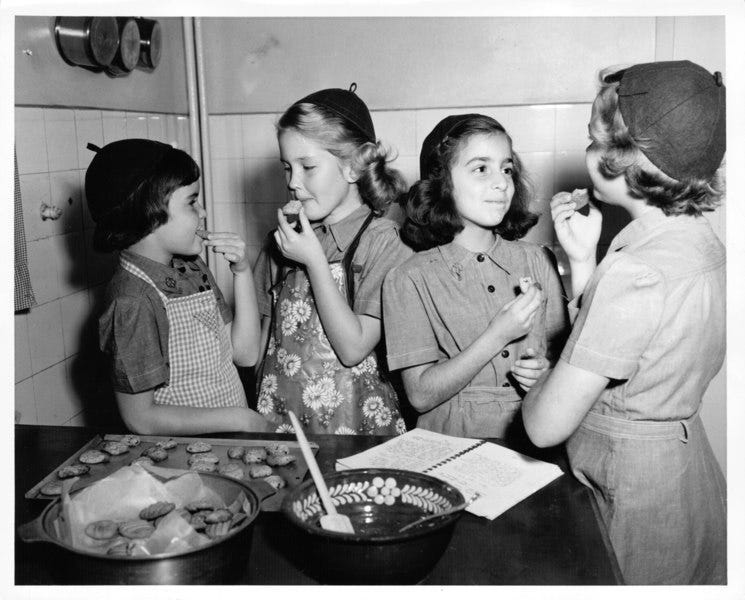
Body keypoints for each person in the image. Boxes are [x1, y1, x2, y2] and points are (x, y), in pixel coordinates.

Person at [522, 60, 726, 584]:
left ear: (623, 160)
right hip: (685, 475)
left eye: (593, 140)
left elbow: (544, 428)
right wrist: (584, 263)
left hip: (632, 492)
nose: (587, 152)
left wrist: (541, 382)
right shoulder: (695, 243)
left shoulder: (636, 269)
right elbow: (636, 346)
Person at [382, 114, 569, 439]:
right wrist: (497, 335)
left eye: (506, 169)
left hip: (535, 442)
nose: (501, 182)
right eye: (481, 168)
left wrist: (545, 372)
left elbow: (563, 360)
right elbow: (420, 395)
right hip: (452, 447)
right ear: (442, 182)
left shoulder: (538, 261)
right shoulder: (407, 279)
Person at [253, 84, 412, 435]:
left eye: (307, 166)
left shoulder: (383, 243)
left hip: (358, 428)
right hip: (283, 423)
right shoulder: (279, 243)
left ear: (355, 165)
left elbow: (353, 348)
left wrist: (314, 263)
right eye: (286, 168)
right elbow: (255, 351)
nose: (293, 183)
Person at [87, 138, 269, 435]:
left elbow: (245, 353)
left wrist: (243, 272)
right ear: (149, 212)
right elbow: (140, 419)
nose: (204, 212)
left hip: (229, 439)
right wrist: (239, 419)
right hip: (183, 455)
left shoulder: (192, 267)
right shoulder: (133, 300)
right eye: (192, 202)